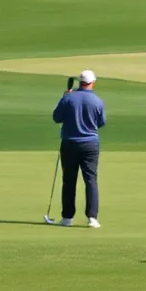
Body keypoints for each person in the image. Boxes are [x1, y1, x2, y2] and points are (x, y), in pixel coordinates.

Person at [51, 70, 106, 228]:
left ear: (80, 82)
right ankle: (92, 218)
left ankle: (67, 218)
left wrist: (64, 98)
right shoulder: (97, 101)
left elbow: (56, 118)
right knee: (91, 180)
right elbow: (101, 122)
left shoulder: (68, 98)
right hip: (90, 144)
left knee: (69, 181)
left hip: (69, 143)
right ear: (92, 82)